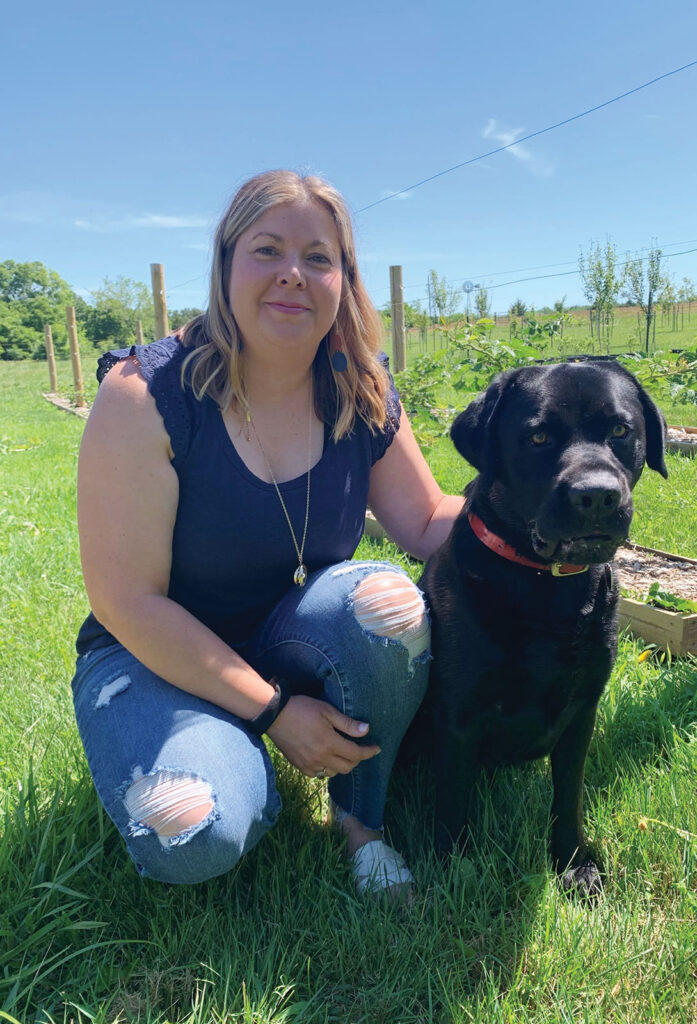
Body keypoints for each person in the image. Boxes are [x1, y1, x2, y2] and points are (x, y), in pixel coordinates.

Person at [71, 169, 462, 898]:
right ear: (225, 265)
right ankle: (238, 764)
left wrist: (535, 503)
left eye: (319, 258)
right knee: (188, 829)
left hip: (288, 637)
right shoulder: (146, 396)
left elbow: (426, 522)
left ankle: (361, 823)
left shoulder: (360, 389)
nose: (293, 275)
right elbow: (128, 600)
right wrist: (274, 712)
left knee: (387, 601)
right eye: (268, 250)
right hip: (155, 656)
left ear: (344, 279)